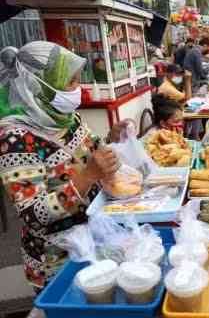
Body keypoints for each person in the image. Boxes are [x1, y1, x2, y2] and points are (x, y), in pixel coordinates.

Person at [0, 42, 129, 292]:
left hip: (94, 242)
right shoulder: (14, 140)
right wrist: (87, 177)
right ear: (38, 86)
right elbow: (33, 215)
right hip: (57, 262)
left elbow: (92, 152)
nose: (77, 89)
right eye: (71, 82)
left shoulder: (69, 119)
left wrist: (113, 141)